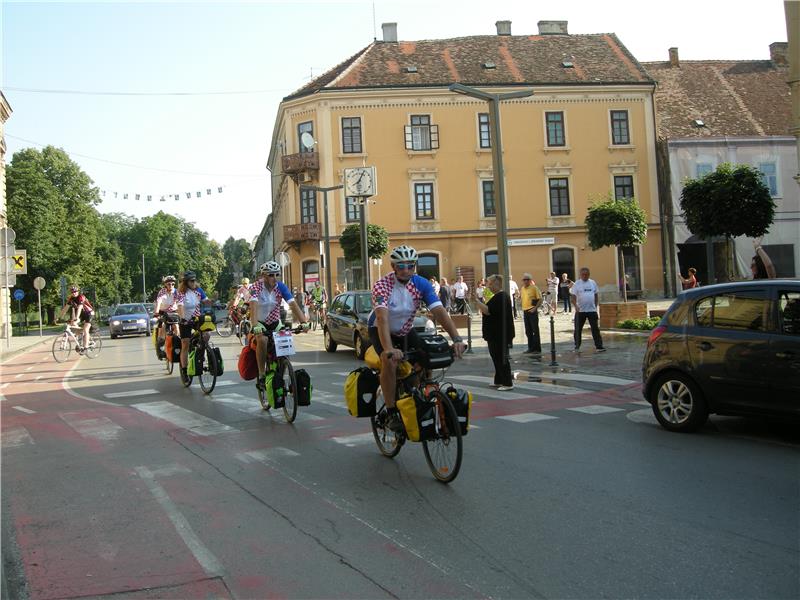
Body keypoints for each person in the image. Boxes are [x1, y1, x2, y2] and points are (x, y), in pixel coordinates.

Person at [369, 245, 467, 432]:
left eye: (410, 266)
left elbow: (439, 311)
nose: (406, 270)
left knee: (429, 355)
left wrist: (457, 339)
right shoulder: (382, 286)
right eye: (401, 266)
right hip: (381, 330)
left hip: (405, 330)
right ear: (393, 266)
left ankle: (416, 392)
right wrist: (389, 349)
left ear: (415, 266)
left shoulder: (421, 284)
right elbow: (382, 319)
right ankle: (390, 412)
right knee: (388, 362)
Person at [248, 262, 308, 395]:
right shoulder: (256, 287)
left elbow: (293, 304)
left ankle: (283, 366)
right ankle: (262, 374)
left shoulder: (280, 286)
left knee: (285, 340)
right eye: (271, 275)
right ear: (263, 275)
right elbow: (253, 305)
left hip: (275, 322)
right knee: (262, 340)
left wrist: (304, 322)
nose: (274, 277)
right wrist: (255, 325)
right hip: (260, 322)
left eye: (277, 274)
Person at [475, 274, 515, 390]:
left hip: (499, 334)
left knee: (501, 358)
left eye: (489, 284)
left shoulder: (501, 296)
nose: (488, 286)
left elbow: (488, 311)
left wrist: (477, 302)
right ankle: (499, 380)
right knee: (496, 357)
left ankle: (507, 383)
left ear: (496, 284)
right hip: (495, 333)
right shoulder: (497, 296)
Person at [176, 271, 213, 382]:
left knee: (206, 335)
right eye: (191, 281)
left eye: (194, 280)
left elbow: (205, 301)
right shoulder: (181, 292)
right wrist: (182, 319)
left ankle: (201, 353)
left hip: (197, 318)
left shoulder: (198, 290)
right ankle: (184, 370)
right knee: (185, 343)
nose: (194, 283)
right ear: (186, 282)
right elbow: (180, 305)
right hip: (185, 320)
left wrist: (211, 303)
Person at [570, 267, 605, 352]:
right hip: (580, 311)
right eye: (583, 274)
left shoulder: (593, 283)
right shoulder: (577, 284)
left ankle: (599, 346)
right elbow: (573, 297)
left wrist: (595, 306)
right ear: (580, 275)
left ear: (589, 275)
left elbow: (596, 294)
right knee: (578, 329)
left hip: (592, 310)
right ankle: (577, 346)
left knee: (595, 329)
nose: (585, 276)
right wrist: (576, 306)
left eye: (586, 274)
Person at [58, 284, 94, 352]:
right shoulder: (71, 299)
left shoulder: (81, 297)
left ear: (78, 291)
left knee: (86, 329)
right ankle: (81, 341)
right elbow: (65, 309)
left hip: (89, 313)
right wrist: (58, 317)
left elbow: (80, 308)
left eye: (75, 291)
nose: (74, 293)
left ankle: (86, 347)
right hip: (82, 314)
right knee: (74, 325)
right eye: (72, 292)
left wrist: (76, 318)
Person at [154, 275, 179, 356]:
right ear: (165, 285)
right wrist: (156, 312)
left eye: (172, 284)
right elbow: (159, 302)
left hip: (173, 312)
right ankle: (159, 348)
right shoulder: (162, 292)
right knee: (163, 327)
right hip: (163, 312)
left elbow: (180, 303)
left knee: (176, 326)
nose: (171, 286)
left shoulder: (176, 292)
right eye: (169, 284)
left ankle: (176, 343)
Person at [519, 273, 542, 354]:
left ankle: (537, 348)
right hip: (525, 311)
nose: (525, 281)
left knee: (535, 330)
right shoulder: (522, 289)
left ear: (530, 280)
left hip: (532, 311)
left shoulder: (534, 288)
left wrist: (535, 308)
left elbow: (540, 299)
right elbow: (522, 297)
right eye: (524, 280)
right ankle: (531, 348)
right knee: (528, 331)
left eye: (527, 279)